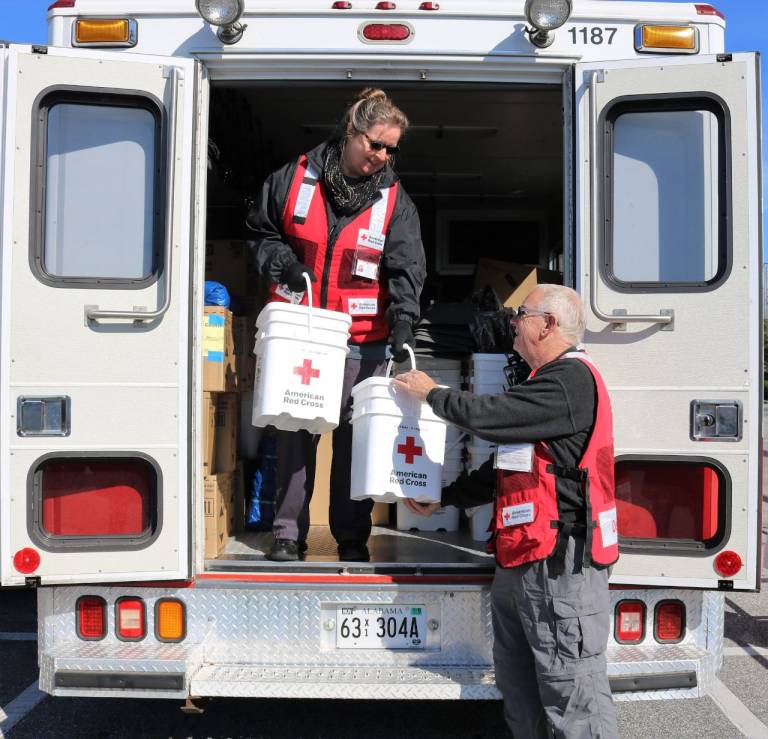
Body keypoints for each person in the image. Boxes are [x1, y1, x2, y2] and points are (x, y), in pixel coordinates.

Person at [393, 284, 619, 739]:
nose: (513, 322)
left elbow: (490, 415)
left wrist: (433, 394)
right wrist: (447, 496)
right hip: (523, 558)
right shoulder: (541, 384)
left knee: (573, 697)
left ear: (549, 324)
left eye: (522, 314)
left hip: (561, 569)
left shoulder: (571, 380)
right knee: (521, 692)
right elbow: (509, 466)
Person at [247, 88, 426, 563]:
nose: (382, 156)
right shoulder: (293, 177)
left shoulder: (394, 200)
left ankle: (351, 539)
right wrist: (282, 263)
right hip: (301, 334)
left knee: (353, 444)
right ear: (351, 132)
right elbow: (260, 231)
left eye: (391, 149)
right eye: (376, 144)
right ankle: (287, 534)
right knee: (295, 435)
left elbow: (407, 268)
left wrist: (404, 322)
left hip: (362, 342)